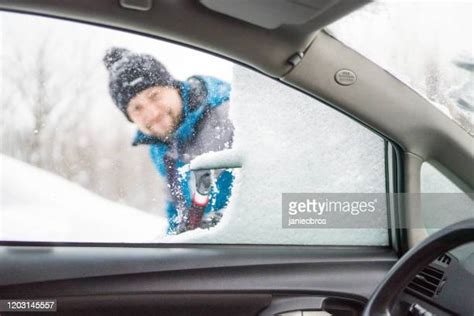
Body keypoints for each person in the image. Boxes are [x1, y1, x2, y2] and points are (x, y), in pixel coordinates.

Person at [103, 47, 234, 234]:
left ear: (173, 86)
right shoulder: (160, 149)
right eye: (137, 108)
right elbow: (178, 209)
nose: (152, 113)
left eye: (154, 95)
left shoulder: (230, 115)